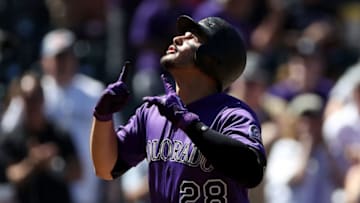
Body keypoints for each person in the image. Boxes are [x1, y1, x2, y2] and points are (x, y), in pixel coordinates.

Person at [90, 15, 267, 202]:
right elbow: (106, 168)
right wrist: (102, 117)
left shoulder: (232, 113)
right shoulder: (155, 110)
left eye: (193, 38)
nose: (178, 38)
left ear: (212, 59)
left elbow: (252, 171)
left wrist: (191, 125)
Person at [0, 72, 81, 203]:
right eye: (28, 99)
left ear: (43, 99)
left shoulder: (59, 133)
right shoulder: (12, 138)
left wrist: (54, 163)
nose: (33, 105)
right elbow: (13, 175)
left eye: (36, 98)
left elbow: (78, 173)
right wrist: (33, 162)